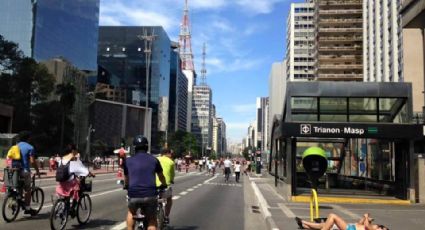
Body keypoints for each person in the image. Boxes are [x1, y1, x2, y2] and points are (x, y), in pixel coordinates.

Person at [124, 135, 167, 230]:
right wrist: (164, 185)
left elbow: (127, 178)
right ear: (147, 147)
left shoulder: (128, 161)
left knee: (131, 212)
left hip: (133, 194)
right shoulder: (154, 160)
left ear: (134, 148)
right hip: (150, 194)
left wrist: (126, 186)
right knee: (151, 219)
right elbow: (161, 176)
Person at [12, 132, 40, 215]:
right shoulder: (30, 147)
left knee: (18, 186)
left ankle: (18, 201)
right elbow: (32, 161)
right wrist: (37, 170)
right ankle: (27, 208)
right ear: (28, 139)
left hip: (14, 170)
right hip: (24, 171)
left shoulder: (15, 146)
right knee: (28, 189)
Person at [295, 213, 389, 230]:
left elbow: (367, 226)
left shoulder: (370, 228)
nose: (380, 228)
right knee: (325, 224)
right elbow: (360, 224)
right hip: (352, 227)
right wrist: (365, 219)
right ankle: (304, 224)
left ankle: (304, 223)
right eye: (381, 227)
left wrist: (366, 217)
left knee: (332, 216)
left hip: (350, 229)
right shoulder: (371, 226)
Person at [156, 148, 175, 224]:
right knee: (169, 199)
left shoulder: (156, 159)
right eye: (170, 153)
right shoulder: (171, 162)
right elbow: (172, 175)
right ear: (167, 153)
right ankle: (166, 216)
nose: (171, 155)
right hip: (164, 186)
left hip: (152, 185)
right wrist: (171, 180)